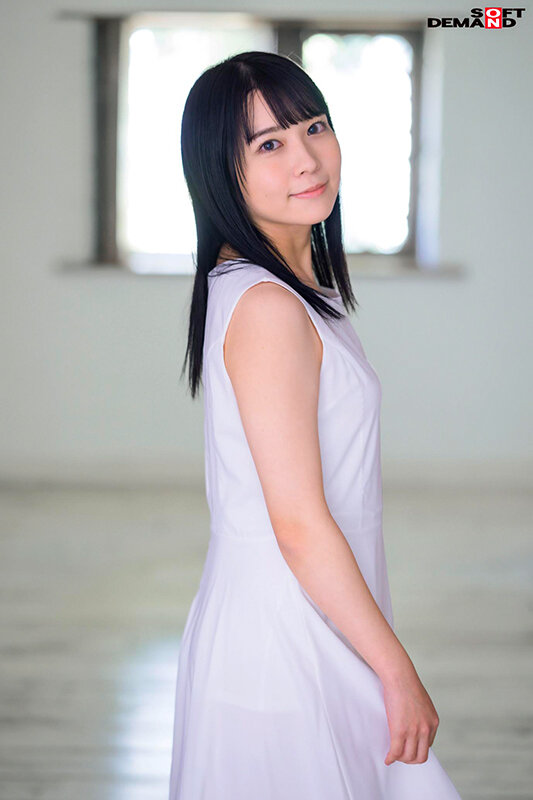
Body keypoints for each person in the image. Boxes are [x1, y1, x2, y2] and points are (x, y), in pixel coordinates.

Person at [169, 50, 462, 799]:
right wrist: (395, 669)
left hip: (312, 618)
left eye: (314, 127)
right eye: (269, 143)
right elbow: (297, 523)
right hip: (284, 640)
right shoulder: (268, 306)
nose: (306, 159)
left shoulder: (290, 292)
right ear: (219, 170)